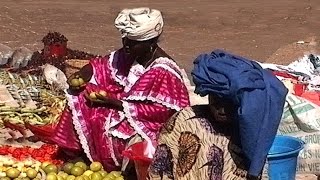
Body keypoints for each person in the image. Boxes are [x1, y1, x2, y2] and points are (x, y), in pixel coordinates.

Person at [49, 7, 190, 171]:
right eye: (125, 41)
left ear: (151, 43)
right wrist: (84, 74)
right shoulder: (130, 54)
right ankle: (75, 154)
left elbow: (164, 112)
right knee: (77, 96)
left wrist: (114, 103)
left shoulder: (164, 72)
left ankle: (117, 166)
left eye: (133, 43)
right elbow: (102, 65)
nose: (126, 46)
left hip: (146, 123)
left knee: (118, 133)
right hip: (122, 104)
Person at [149, 50, 288, 180]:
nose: (221, 110)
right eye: (216, 101)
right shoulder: (184, 121)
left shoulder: (252, 132)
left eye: (228, 103)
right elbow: (159, 170)